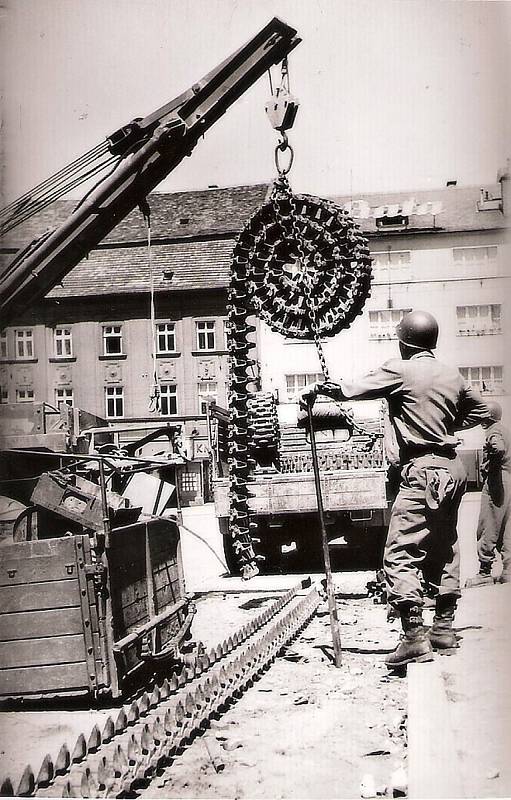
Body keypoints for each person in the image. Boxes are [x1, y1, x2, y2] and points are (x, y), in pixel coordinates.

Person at [300, 309, 490, 668]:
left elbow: (349, 390)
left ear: (405, 342)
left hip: (422, 471)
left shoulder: (400, 370)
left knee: (400, 553)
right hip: (453, 468)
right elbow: (486, 411)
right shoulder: (452, 374)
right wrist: (446, 426)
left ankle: (414, 638)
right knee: (445, 545)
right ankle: (444, 629)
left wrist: (318, 388)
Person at [466, 401, 510, 586]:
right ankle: (508, 570)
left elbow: (497, 448)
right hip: (507, 479)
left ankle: (484, 572)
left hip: (496, 481)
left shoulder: (493, 430)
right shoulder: (505, 429)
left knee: (488, 525)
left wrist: (490, 464)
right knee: (507, 526)